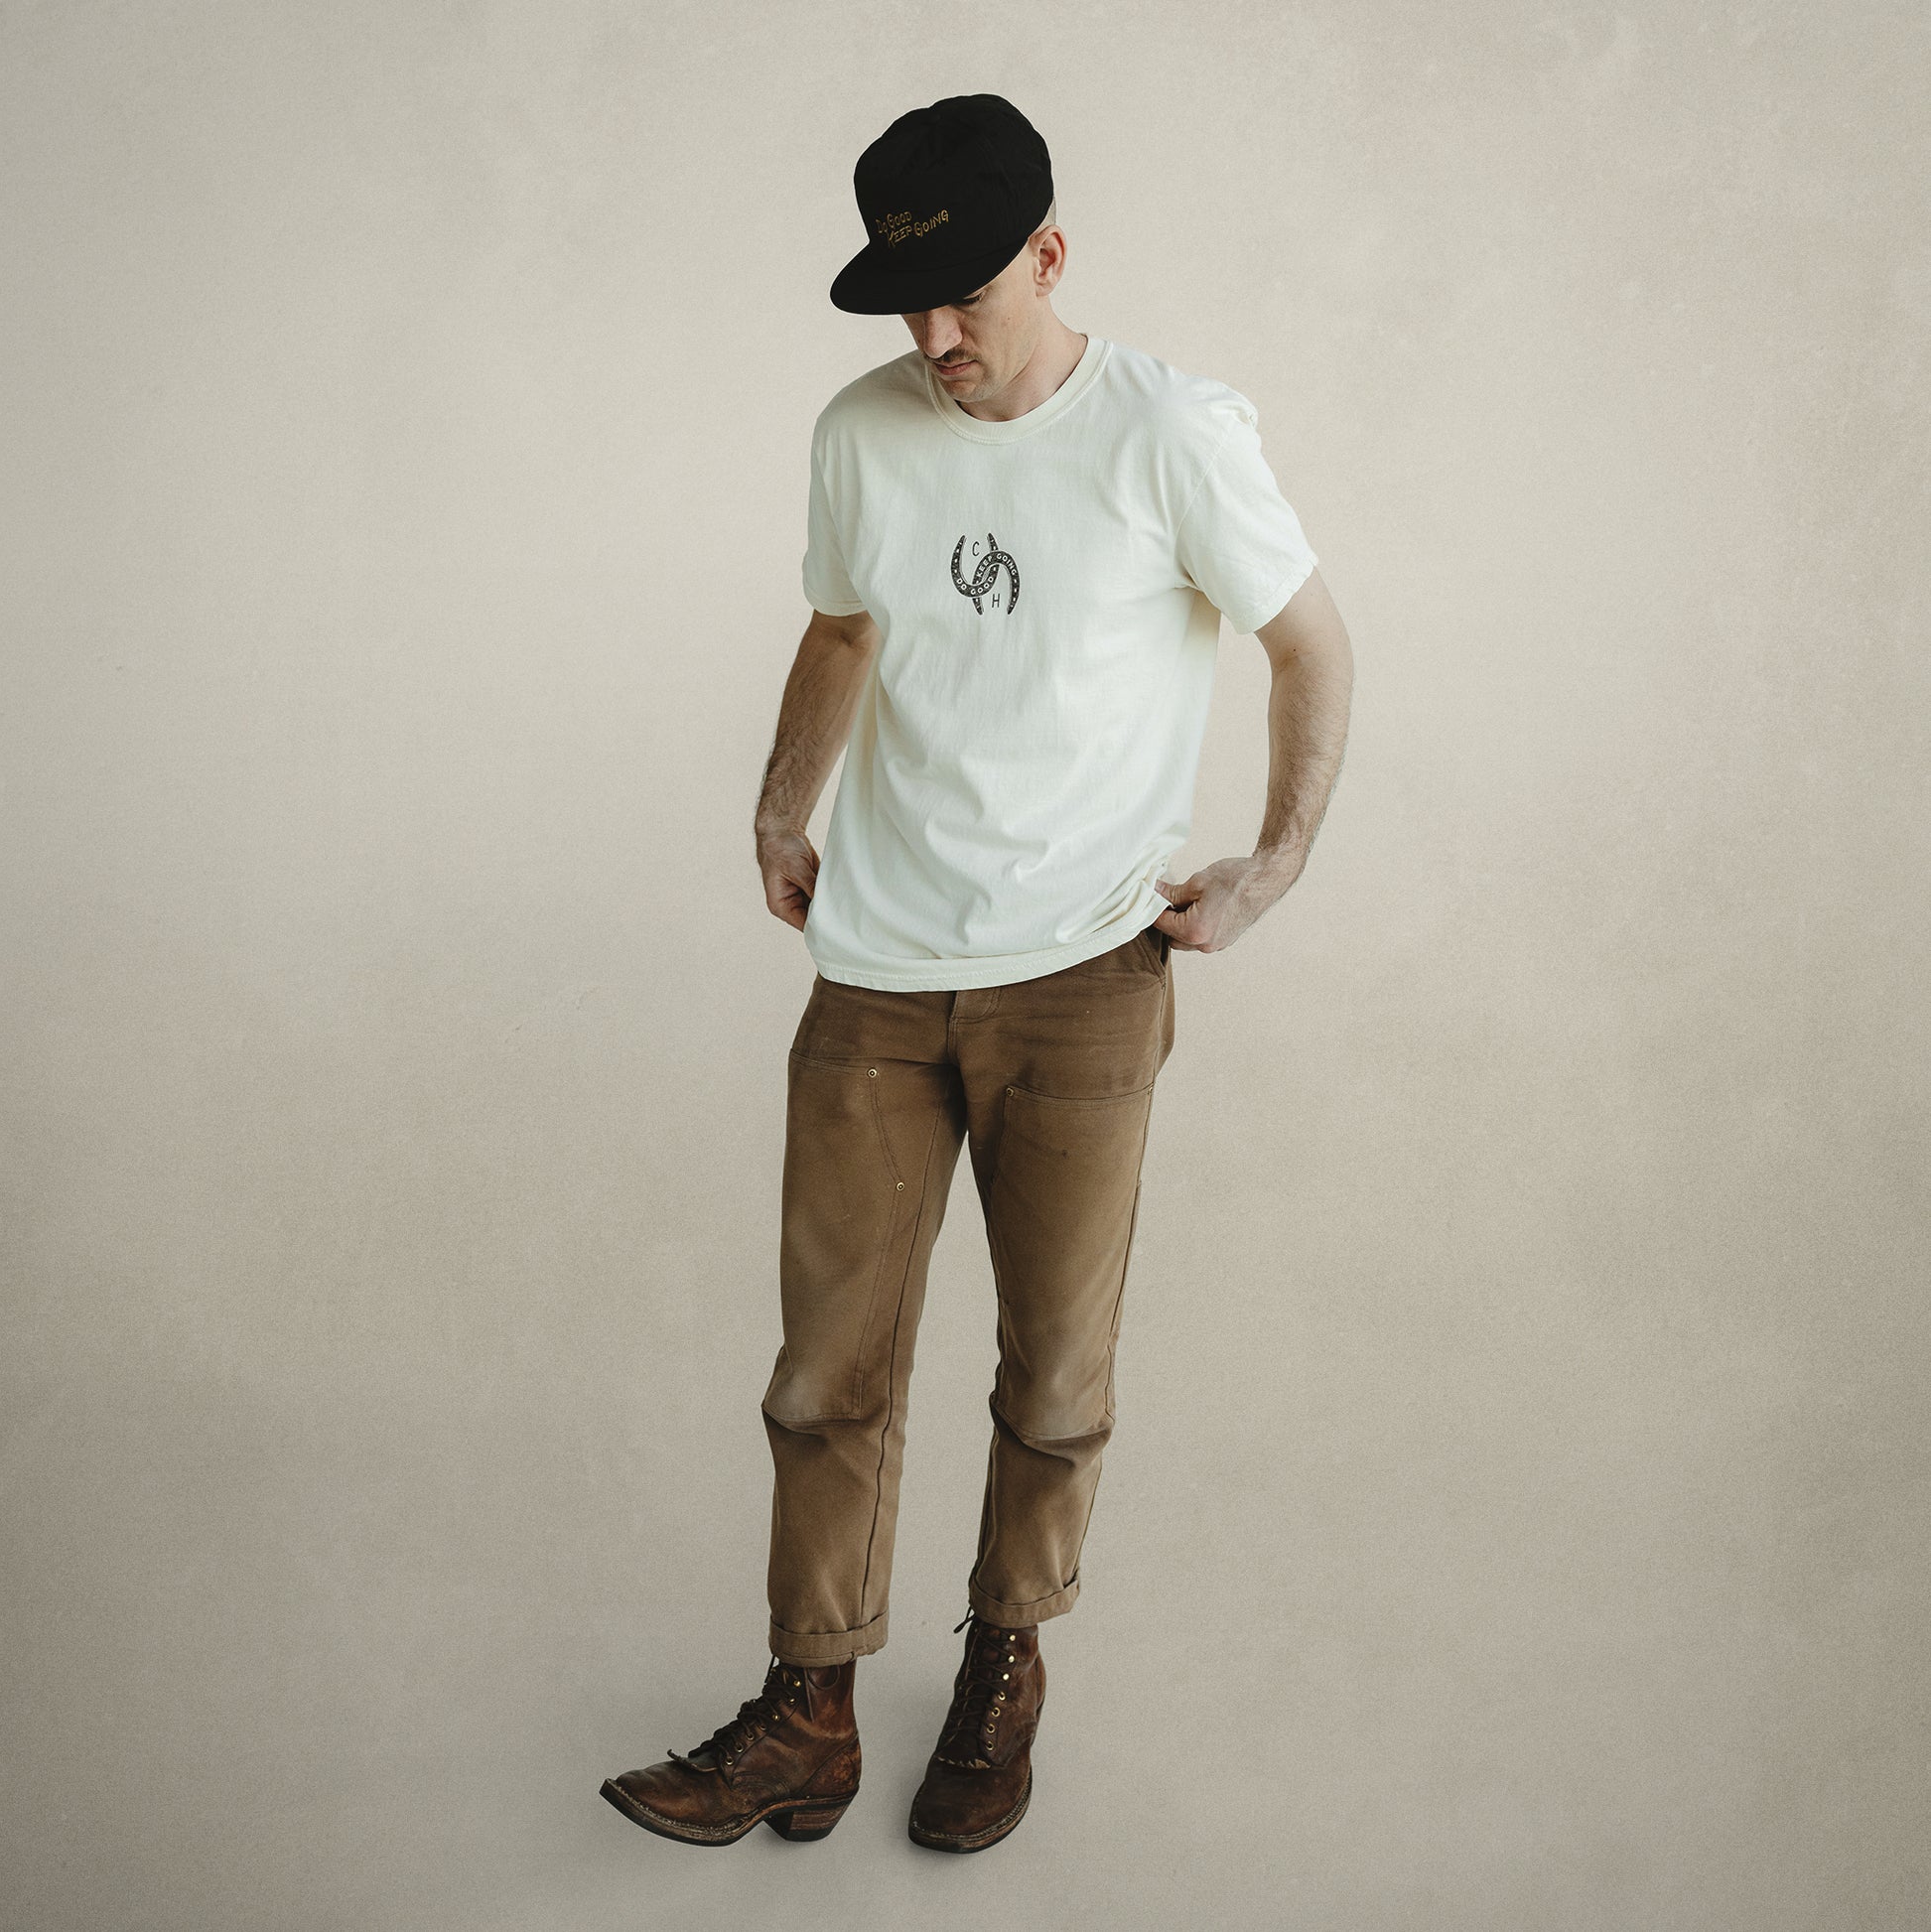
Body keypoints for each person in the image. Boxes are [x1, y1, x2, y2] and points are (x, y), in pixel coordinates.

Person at [601, 92, 1353, 1855]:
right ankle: (807, 1712)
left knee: (1053, 1373)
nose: (933, 337)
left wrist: (1270, 865)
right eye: (903, 304)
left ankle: (1002, 1665)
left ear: (1050, 256)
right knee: (824, 1372)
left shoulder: (1170, 431)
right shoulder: (860, 430)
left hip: (1085, 974)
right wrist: (780, 803)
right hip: (875, 967)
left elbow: (1309, 642)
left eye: (965, 298)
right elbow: (844, 623)